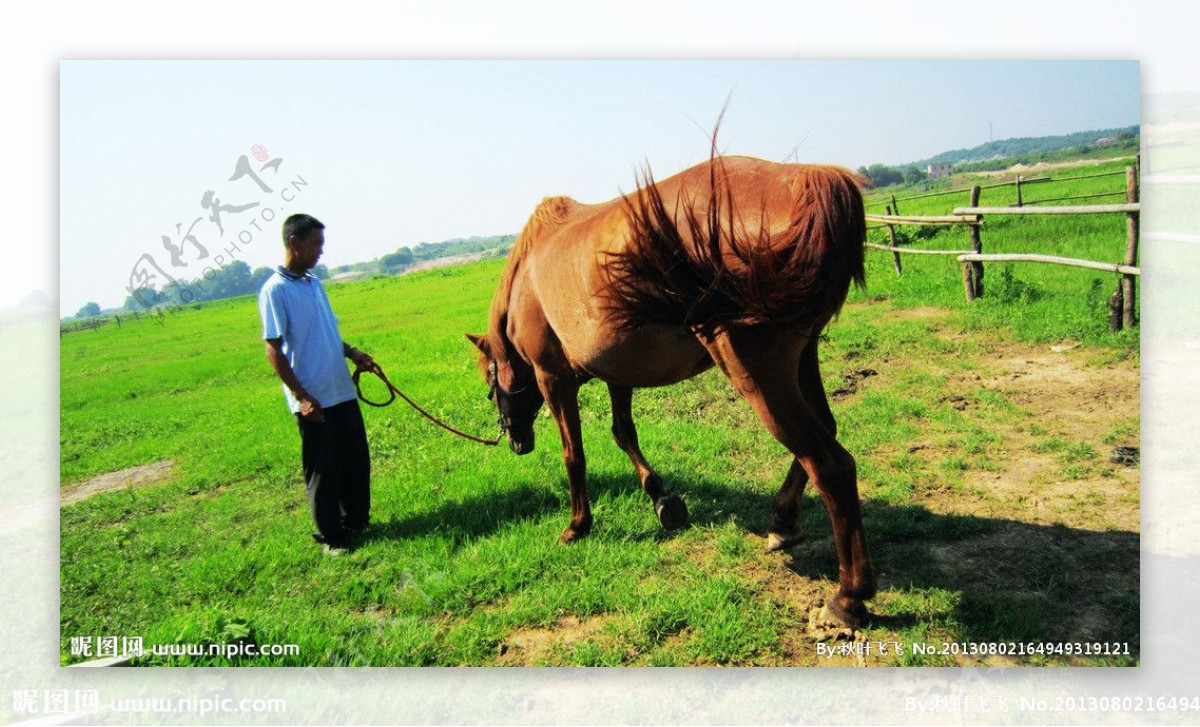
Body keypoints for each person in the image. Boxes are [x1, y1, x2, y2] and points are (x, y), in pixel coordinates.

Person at [259, 213, 375, 556]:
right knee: (324, 470)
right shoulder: (275, 290)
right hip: (315, 399)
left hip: (340, 389)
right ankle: (332, 538)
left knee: (355, 461)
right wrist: (302, 397)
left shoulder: (313, 283)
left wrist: (352, 353)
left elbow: (325, 335)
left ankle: (355, 522)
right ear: (294, 243)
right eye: (316, 244)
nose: (321, 251)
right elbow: (273, 349)